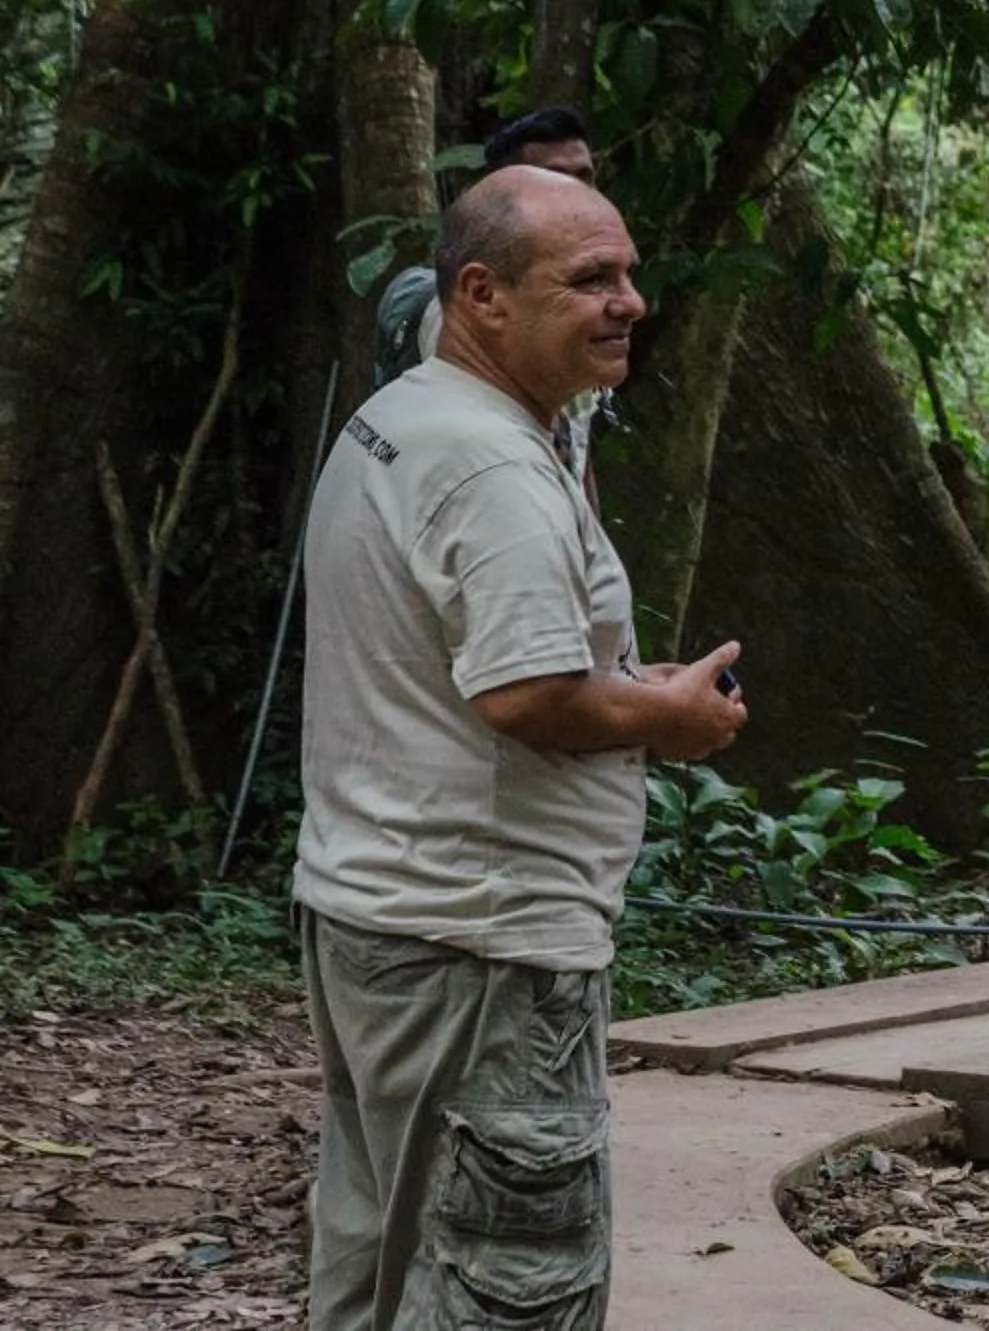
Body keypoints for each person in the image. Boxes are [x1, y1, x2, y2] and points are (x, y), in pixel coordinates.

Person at [296, 165, 748, 1330]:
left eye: (630, 272)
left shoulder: (399, 419)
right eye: (591, 278)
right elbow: (525, 695)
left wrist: (623, 685)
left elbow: (465, 665)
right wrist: (674, 715)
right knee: (509, 1286)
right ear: (483, 293)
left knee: (382, 1262)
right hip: (479, 943)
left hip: (379, 913)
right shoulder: (492, 464)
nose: (631, 301)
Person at [376, 107, 609, 483]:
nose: (576, 196)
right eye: (554, 180)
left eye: (585, 178)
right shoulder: (465, 311)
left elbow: (576, 446)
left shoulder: (576, 305)